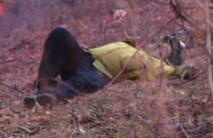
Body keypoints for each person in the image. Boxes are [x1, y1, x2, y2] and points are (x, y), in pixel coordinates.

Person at [24, 26, 196, 108]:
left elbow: (171, 70)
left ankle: (52, 96)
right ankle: (44, 89)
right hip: (86, 58)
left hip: (98, 74)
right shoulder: (129, 48)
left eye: (167, 49)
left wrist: (182, 71)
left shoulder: (147, 62)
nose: (161, 47)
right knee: (59, 33)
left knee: (82, 80)